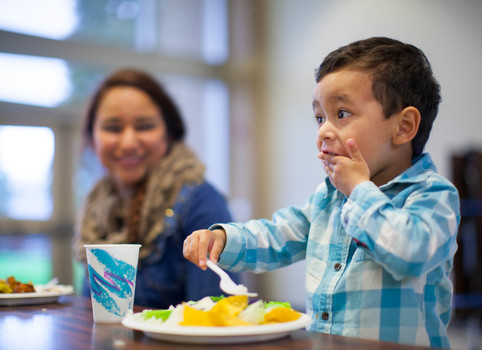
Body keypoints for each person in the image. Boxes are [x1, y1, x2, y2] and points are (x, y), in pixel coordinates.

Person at [183, 37, 460, 348]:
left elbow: (410, 254)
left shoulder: (433, 194)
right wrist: (224, 238)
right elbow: (277, 235)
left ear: (403, 126)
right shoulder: (328, 198)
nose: (324, 132)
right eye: (319, 118)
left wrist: (359, 190)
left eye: (341, 114)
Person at [73, 68, 239, 309]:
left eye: (144, 126)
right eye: (113, 128)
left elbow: (217, 319)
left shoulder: (200, 201)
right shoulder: (97, 209)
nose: (128, 142)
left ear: (170, 134)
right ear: (91, 138)